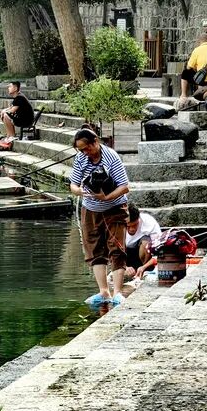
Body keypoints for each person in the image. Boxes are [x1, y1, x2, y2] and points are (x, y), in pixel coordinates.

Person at [69, 127, 131, 307]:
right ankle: (103, 291)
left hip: (114, 207)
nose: (85, 152)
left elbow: (124, 186)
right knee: (94, 248)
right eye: (81, 150)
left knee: (116, 247)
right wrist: (80, 191)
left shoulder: (111, 157)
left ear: (95, 142)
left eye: (86, 148)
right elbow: (73, 184)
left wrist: (106, 197)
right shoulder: (81, 158)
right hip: (90, 209)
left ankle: (117, 292)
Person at [178, 27, 207, 106]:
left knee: (185, 73)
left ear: (199, 41)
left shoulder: (197, 50)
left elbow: (189, 67)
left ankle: (183, 95)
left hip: (206, 81)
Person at [124, 203, 162, 280]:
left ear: (139, 219)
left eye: (135, 225)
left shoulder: (149, 223)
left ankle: (144, 270)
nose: (132, 229)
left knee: (146, 242)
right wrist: (125, 267)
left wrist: (144, 267)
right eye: (128, 226)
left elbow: (159, 252)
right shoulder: (117, 225)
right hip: (126, 254)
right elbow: (112, 252)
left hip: (144, 255)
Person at [0, 80, 34, 149]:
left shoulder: (19, 97)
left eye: (10, 87)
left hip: (26, 120)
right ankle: (9, 135)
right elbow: (11, 107)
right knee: (4, 115)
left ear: (15, 88)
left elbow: (12, 111)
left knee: (6, 115)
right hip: (21, 118)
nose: (8, 88)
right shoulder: (17, 97)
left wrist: (4, 112)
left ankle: (12, 136)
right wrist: (3, 110)